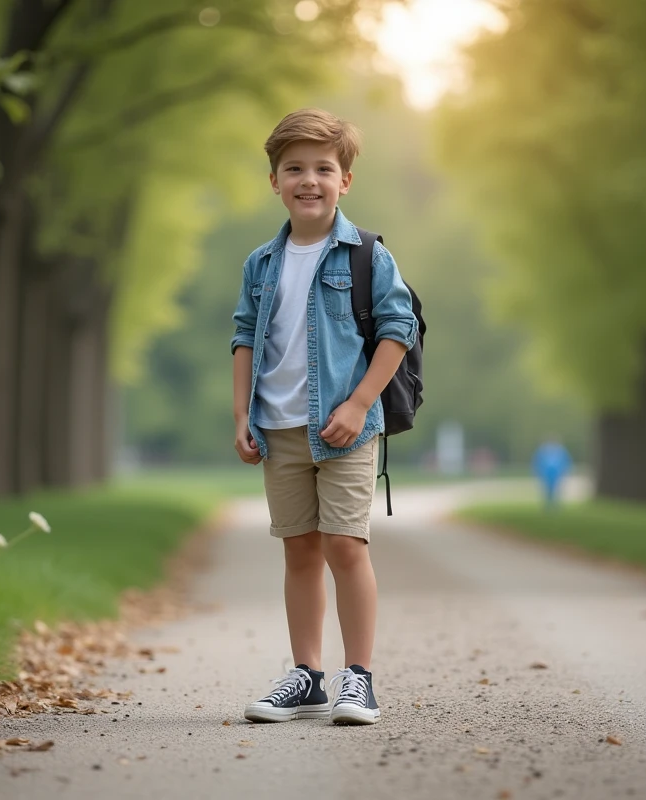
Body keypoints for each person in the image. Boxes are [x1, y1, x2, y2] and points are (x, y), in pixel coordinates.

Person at [230, 109, 418, 726]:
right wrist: (242, 417)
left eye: (323, 169)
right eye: (294, 169)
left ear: (346, 181)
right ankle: (306, 676)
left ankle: (357, 679)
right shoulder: (262, 263)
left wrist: (360, 403)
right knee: (300, 551)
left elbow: (397, 328)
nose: (308, 180)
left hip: (346, 426)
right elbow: (244, 340)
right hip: (278, 427)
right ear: (274, 180)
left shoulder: (364, 255)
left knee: (345, 545)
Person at [532, 436, 573, 510]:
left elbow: (565, 462)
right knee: (547, 490)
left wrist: (565, 472)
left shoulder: (560, 451)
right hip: (546, 474)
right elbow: (537, 462)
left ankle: (555, 505)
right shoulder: (542, 451)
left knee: (556, 490)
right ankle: (547, 505)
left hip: (557, 474)